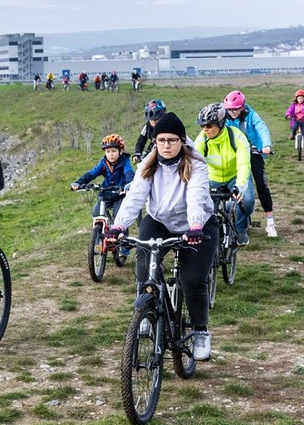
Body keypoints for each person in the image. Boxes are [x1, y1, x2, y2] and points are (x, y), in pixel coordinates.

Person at [106, 111, 217, 360]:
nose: (166, 145)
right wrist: (118, 226)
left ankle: (200, 330)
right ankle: (146, 308)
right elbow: (135, 196)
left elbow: (196, 195)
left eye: (172, 140)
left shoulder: (195, 163)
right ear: (154, 142)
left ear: (182, 141)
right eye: (161, 140)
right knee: (145, 263)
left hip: (198, 227)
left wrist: (196, 225)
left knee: (192, 279)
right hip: (159, 222)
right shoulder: (148, 164)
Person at [192, 102, 255, 245]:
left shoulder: (237, 137)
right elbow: (194, 164)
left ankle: (240, 230)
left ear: (221, 123)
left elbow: (244, 165)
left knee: (247, 201)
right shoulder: (202, 139)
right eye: (203, 126)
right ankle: (212, 233)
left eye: (209, 125)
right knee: (204, 205)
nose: (205, 129)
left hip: (235, 176)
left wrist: (240, 186)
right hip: (212, 177)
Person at [222, 91, 277, 238]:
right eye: (229, 109)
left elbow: (261, 127)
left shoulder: (251, 115)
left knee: (261, 185)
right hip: (235, 154)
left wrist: (266, 145)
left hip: (254, 152)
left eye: (235, 109)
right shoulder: (225, 117)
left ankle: (270, 222)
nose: (232, 112)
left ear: (242, 107)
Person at [71, 133, 135, 223]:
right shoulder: (103, 163)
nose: (111, 154)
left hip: (121, 193)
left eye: (113, 151)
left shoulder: (124, 161)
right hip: (106, 193)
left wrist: (130, 183)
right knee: (96, 214)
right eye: (108, 152)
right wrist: (78, 183)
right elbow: (91, 174)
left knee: (119, 216)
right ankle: (99, 233)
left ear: (120, 151)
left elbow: (128, 172)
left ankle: (122, 235)